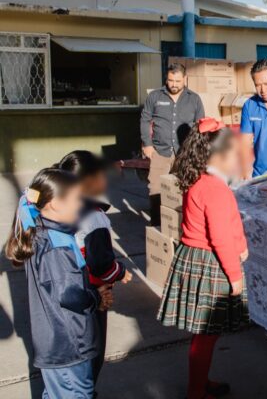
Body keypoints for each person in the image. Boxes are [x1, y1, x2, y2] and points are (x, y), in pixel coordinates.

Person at [157, 118, 248, 399]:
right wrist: (234, 276)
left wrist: (241, 243)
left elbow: (227, 226)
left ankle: (200, 381)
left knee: (204, 334)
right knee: (206, 335)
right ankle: (196, 390)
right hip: (209, 263)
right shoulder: (214, 188)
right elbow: (219, 236)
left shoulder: (203, 179)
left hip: (199, 258)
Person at [4, 168, 112, 399]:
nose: (81, 206)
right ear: (53, 203)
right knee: (76, 393)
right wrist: (96, 296)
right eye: (76, 200)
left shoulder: (38, 230)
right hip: (69, 344)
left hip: (53, 341)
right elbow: (70, 295)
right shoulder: (58, 246)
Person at [57, 150, 132, 383]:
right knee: (91, 351)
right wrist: (120, 273)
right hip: (91, 293)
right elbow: (101, 264)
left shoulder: (55, 207)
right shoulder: (94, 217)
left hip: (61, 289)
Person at [140, 62, 204, 224]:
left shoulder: (194, 99)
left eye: (177, 81)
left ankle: (181, 223)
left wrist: (196, 151)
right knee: (155, 189)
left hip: (184, 153)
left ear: (185, 79)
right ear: (166, 79)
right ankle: (157, 225)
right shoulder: (155, 96)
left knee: (184, 188)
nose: (173, 85)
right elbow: (145, 119)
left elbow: (200, 125)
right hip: (160, 152)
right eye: (170, 80)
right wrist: (147, 144)